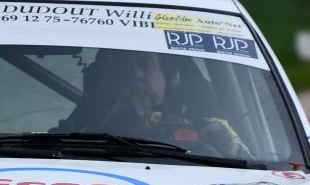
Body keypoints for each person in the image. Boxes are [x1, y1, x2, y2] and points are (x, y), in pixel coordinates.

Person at [81, 48, 250, 158]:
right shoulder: (77, 132)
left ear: (168, 76)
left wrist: (231, 150)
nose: (135, 76)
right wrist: (109, 129)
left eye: (146, 65)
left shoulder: (215, 128)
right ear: (103, 81)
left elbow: (253, 169)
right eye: (121, 68)